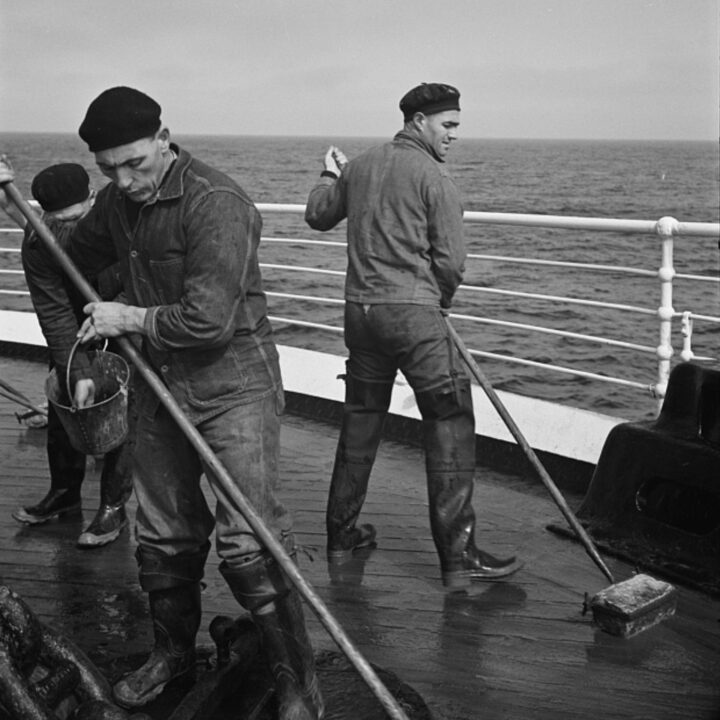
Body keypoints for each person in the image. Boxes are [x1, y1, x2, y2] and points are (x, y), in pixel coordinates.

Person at [42, 86, 322, 718]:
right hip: (159, 389)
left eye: (135, 163)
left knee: (248, 541)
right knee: (165, 534)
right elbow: (63, 261)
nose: (124, 180)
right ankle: (173, 655)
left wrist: (127, 316)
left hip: (235, 389)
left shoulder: (217, 203)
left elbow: (208, 321)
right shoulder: (115, 204)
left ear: (164, 140)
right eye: (108, 169)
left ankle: (297, 681)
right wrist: (28, 215)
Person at [304, 82, 523, 591]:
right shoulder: (435, 179)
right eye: (448, 125)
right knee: (448, 418)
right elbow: (452, 262)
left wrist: (329, 172)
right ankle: (458, 557)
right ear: (418, 121)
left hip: (360, 317)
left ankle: (341, 537)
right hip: (415, 318)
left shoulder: (358, 167)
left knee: (360, 420)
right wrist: (438, 301)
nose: (454, 136)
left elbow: (317, 214)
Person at [0, 160, 133, 548]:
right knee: (63, 408)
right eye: (60, 221)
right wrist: (75, 369)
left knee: (122, 417)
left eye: (78, 219)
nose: (71, 230)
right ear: (44, 214)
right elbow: (53, 310)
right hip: (74, 332)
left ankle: (113, 506)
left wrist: (118, 314)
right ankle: (64, 494)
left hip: (124, 324)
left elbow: (149, 281)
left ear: (94, 198)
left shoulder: (120, 225)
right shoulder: (41, 238)